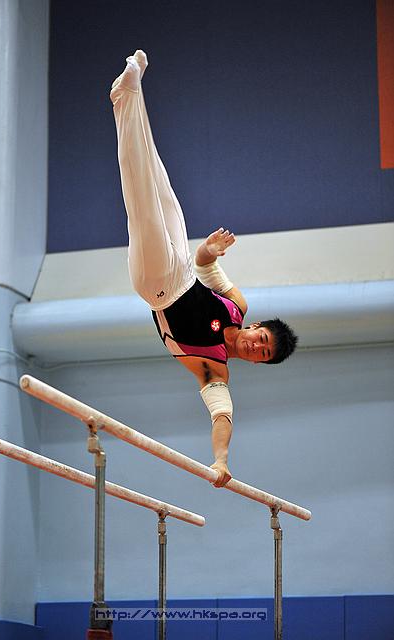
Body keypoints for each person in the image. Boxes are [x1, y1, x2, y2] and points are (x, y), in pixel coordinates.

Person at [110, 50, 298, 488]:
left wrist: (221, 460)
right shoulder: (236, 306)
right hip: (183, 268)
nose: (255, 347)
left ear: (258, 362)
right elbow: (204, 265)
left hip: (159, 287)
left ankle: (126, 95)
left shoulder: (214, 367)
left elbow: (222, 414)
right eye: (262, 340)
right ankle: (127, 95)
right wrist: (211, 250)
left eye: (262, 354)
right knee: (159, 181)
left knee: (141, 196)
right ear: (256, 327)